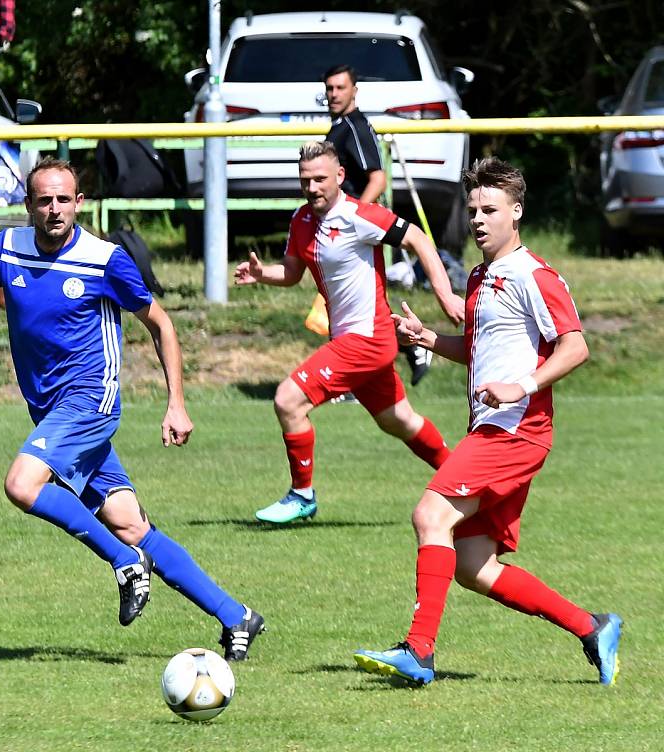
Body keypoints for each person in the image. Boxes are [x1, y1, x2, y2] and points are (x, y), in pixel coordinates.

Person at [0, 157, 265, 661]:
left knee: (22, 484)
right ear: (28, 206)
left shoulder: (104, 259)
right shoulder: (7, 247)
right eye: (43, 200)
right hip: (51, 413)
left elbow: (161, 324)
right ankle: (235, 614)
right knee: (132, 524)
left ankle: (123, 563)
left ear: (79, 203)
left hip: (92, 401)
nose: (53, 209)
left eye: (63, 199)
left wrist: (176, 402)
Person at [354, 157, 622, 686]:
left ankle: (418, 652)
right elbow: (482, 350)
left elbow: (576, 347)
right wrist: (431, 340)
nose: (478, 219)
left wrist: (520, 386)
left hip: (517, 429)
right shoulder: (480, 275)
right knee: (474, 565)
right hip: (493, 428)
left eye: (490, 209)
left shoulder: (535, 274)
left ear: (516, 212)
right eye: (473, 209)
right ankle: (592, 627)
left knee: (430, 516)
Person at [234, 141, 464, 525]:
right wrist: (262, 274)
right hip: (348, 340)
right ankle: (466, 482)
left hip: (368, 339)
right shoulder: (302, 220)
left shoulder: (360, 215)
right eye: (305, 180)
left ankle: (302, 495)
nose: (312, 187)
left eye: (320, 179)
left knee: (289, 400)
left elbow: (419, 240)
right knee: (400, 421)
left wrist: (445, 296)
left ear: (339, 177)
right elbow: (292, 273)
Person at [324, 63, 433, 385]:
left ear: (354, 90)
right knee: (357, 306)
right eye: (329, 88)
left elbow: (378, 178)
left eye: (340, 88)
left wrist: (356, 216)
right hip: (340, 229)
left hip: (352, 230)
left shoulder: (356, 126)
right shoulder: (339, 126)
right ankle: (404, 350)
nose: (334, 94)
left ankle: (350, 377)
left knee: (350, 306)